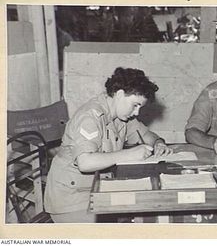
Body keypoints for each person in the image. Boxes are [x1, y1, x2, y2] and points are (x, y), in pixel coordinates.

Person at [44, 67, 172, 223]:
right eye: (135, 105)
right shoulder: (90, 116)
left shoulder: (122, 117)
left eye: (140, 107)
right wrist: (129, 154)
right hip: (72, 199)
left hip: (98, 190)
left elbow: (146, 135)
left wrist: (158, 143)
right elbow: (85, 162)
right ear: (119, 94)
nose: (137, 113)